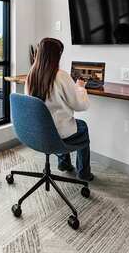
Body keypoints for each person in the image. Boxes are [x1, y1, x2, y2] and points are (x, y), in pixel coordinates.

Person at [25, 37, 93, 181]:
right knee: (82, 126)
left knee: (57, 120)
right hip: (57, 132)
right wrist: (80, 87)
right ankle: (84, 173)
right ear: (57, 55)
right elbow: (81, 106)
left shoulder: (31, 74)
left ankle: (64, 164)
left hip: (37, 130)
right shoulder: (61, 76)